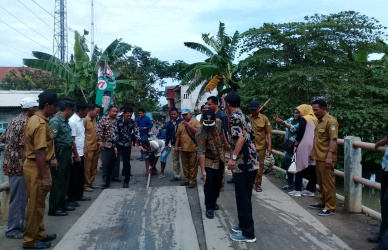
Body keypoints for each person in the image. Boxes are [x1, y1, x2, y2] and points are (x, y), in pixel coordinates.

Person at [23, 91, 59, 249]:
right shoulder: (40, 124)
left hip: (34, 165)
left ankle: (40, 233)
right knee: (35, 206)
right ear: (47, 105)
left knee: (38, 203)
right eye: (54, 106)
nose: (55, 109)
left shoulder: (35, 119)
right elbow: (39, 152)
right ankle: (30, 240)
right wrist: (45, 177)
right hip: (36, 167)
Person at [224, 92, 259, 243]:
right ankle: (242, 224)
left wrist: (232, 157)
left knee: (243, 196)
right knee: (242, 195)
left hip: (244, 161)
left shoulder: (235, 117)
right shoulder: (243, 115)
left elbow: (241, 137)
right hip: (250, 160)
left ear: (228, 104)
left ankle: (248, 233)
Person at [1, 97, 37, 239]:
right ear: (30, 109)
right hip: (19, 166)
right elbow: (23, 147)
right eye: (35, 108)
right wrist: (26, 164)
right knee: (19, 199)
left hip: (9, 163)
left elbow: (3, 138)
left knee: (18, 197)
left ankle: (19, 225)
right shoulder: (25, 122)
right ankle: (13, 229)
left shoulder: (13, 120)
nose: (36, 110)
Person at [310, 99, 339, 216]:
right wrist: (313, 153)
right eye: (313, 110)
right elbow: (318, 139)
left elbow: (333, 140)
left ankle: (330, 207)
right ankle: (322, 202)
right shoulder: (319, 121)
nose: (314, 112)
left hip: (326, 157)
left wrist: (329, 156)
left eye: (316, 110)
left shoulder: (331, 122)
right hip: (318, 156)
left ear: (323, 109)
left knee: (328, 183)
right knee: (321, 183)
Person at [197, 110, 227, 219]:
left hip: (219, 158)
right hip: (208, 160)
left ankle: (214, 200)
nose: (209, 126)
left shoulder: (219, 123)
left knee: (218, 183)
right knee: (209, 183)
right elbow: (201, 152)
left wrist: (226, 142)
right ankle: (209, 207)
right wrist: (203, 171)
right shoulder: (200, 132)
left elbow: (222, 133)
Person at [48, 100, 76, 216]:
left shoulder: (65, 121)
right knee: (58, 181)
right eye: (72, 111)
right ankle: (54, 208)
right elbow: (51, 141)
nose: (72, 113)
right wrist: (53, 157)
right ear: (68, 110)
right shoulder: (55, 121)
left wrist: (70, 156)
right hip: (59, 154)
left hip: (66, 153)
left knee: (65, 179)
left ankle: (63, 203)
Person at [103, 106, 141, 189]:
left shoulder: (132, 122)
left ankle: (126, 181)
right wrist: (114, 146)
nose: (129, 117)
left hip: (127, 144)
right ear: (123, 114)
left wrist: (140, 144)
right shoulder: (117, 120)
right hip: (117, 143)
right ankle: (106, 182)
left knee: (126, 163)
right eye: (127, 115)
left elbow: (136, 132)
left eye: (130, 115)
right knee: (110, 162)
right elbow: (114, 133)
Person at [287, 104, 317, 197]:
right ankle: (310, 189)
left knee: (299, 166)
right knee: (312, 167)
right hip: (314, 144)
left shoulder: (304, 119)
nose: (299, 114)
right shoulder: (316, 118)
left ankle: (297, 189)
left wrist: (296, 144)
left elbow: (301, 133)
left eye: (299, 111)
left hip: (304, 144)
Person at [68, 101, 91, 205]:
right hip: (75, 153)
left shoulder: (81, 120)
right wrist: (76, 155)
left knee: (81, 175)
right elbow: (72, 140)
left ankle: (79, 194)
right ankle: (72, 198)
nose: (87, 113)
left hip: (81, 151)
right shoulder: (72, 121)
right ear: (81, 110)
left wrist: (84, 148)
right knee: (74, 177)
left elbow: (81, 137)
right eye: (86, 111)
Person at [247, 100, 273, 192]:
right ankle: (249, 182)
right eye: (251, 110)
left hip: (261, 146)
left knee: (260, 166)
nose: (253, 112)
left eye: (254, 110)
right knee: (249, 165)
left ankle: (258, 184)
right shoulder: (247, 118)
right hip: (249, 146)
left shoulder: (264, 119)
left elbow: (268, 133)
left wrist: (269, 146)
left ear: (258, 109)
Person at [368, 136, 388, 249]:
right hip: (386, 167)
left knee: (386, 201)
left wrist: (379, 143)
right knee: (384, 205)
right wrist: (379, 143)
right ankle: (382, 236)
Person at [207, 96, 229, 190]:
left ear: (216, 104)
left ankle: (221, 184)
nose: (208, 106)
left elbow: (225, 131)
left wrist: (225, 142)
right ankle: (213, 181)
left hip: (220, 144)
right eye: (207, 104)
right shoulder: (209, 115)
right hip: (210, 145)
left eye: (210, 104)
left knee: (221, 164)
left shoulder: (222, 116)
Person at [275, 109, 301, 190]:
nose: (295, 115)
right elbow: (279, 126)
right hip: (287, 148)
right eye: (294, 113)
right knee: (288, 165)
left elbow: (293, 128)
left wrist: (282, 122)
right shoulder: (290, 120)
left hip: (297, 147)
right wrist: (277, 121)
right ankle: (290, 183)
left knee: (298, 167)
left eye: (297, 113)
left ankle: (298, 185)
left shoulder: (302, 122)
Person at [175, 108, 200, 188]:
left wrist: (190, 126)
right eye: (183, 115)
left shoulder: (196, 122)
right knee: (185, 165)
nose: (184, 117)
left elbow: (199, 132)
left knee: (193, 165)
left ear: (190, 114)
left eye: (186, 115)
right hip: (183, 148)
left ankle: (192, 181)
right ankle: (187, 179)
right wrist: (176, 146)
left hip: (193, 148)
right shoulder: (181, 124)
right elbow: (178, 136)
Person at [97, 105, 119, 184]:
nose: (115, 113)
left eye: (116, 111)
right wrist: (100, 142)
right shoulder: (103, 120)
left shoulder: (118, 120)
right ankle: (105, 176)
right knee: (106, 161)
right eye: (113, 111)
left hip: (116, 144)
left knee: (116, 161)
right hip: (106, 143)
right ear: (109, 111)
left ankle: (114, 176)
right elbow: (100, 132)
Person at [83, 104, 101, 192]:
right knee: (87, 167)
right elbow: (82, 135)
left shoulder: (94, 121)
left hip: (95, 147)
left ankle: (90, 183)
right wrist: (84, 146)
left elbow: (95, 134)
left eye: (98, 113)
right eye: (96, 112)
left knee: (94, 167)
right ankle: (86, 184)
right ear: (90, 110)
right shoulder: (85, 120)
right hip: (88, 147)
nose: (97, 114)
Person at [166, 108, 183, 182]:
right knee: (175, 161)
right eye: (171, 114)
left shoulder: (182, 122)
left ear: (178, 114)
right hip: (173, 144)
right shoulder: (169, 123)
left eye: (174, 114)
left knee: (184, 162)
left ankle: (188, 177)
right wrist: (166, 144)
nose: (173, 115)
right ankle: (177, 176)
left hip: (183, 145)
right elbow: (167, 134)